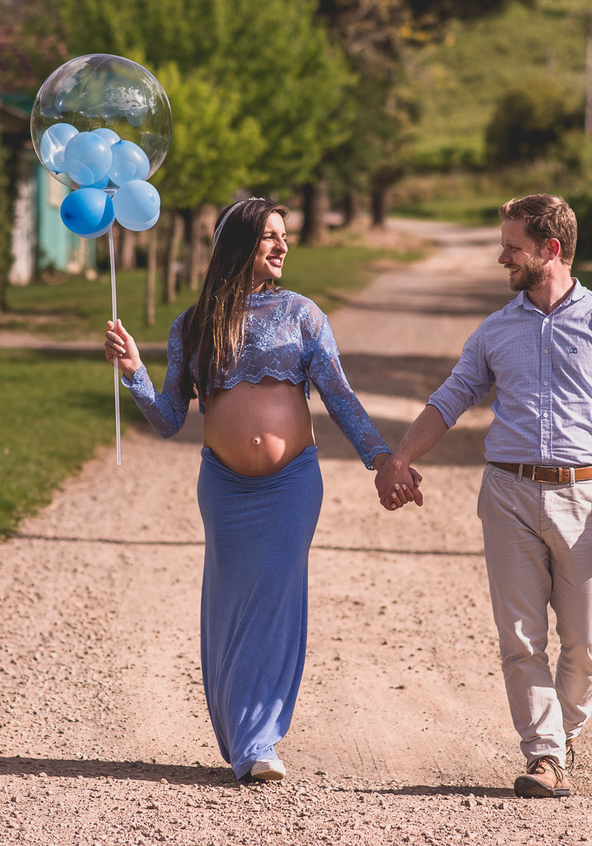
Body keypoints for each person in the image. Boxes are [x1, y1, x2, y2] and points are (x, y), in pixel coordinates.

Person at [104, 198, 416, 783]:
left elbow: (340, 397)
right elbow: (171, 419)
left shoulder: (303, 315)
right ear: (239, 246)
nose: (282, 246)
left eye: (283, 236)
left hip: (292, 484)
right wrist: (134, 372)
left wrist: (381, 459)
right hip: (223, 488)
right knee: (229, 607)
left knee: (274, 602)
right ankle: (241, 730)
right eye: (269, 236)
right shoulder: (192, 325)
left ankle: (260, 740)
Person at [376, 193, 592, 798]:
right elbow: (450, 398)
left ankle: (562, 736)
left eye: (513, 247)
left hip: (583, 496)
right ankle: (545, 755)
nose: (503, 257)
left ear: (550, 251)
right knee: (521, 638)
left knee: (589, 639)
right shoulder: (494, 330)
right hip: (506, 493)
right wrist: (400, 458)